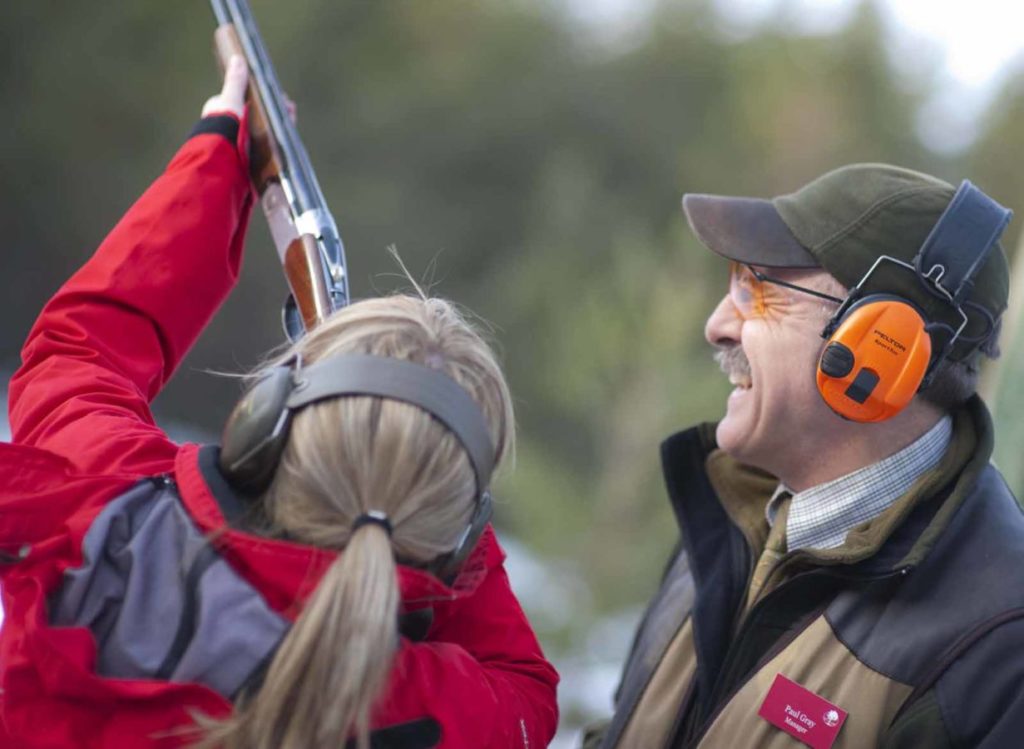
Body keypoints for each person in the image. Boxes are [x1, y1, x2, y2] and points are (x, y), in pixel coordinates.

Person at [0, 58, 558, 749]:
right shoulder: (439, 706)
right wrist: (432, 475)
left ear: (264, 425)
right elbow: (526, 686)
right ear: (458, 530)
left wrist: (216, 159)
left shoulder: (111, 513)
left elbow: (80, 350)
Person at [586, 164, 1024, 748]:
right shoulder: (733, 515)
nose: (717, 325)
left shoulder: (998, 649)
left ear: (880, 347)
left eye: (757, 290)